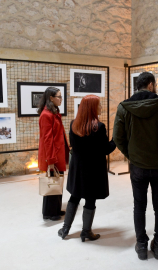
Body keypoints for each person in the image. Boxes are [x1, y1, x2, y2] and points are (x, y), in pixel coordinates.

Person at [113, 72, 158, 260]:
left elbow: (117, 137)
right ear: (150, 85)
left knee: (139, 206)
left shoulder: (124, 107)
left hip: (138, 166)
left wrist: (130, 155)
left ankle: (141, 245)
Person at [58, 95, 116, 242]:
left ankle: (65, 229)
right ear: (92, 108)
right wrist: (116, 140)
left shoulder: (73, 125)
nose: (101, 107)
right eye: (99, 105)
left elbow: (75, 147)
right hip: (94, 169)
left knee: (75, 196)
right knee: (90, 199)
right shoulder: (99, 127)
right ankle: (86, 232)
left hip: (78, 168)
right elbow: (106, 149)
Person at [38, 87, 69, 221]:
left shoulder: (54, 112)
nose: (61, 99)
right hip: (52, 155)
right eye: (59, 97)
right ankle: (49, 213)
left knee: (58, 181)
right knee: (52, 182)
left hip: (58, 153)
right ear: (51, 98)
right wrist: (50, 160)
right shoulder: (46, 115)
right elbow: (47, 139)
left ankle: (55, 209)